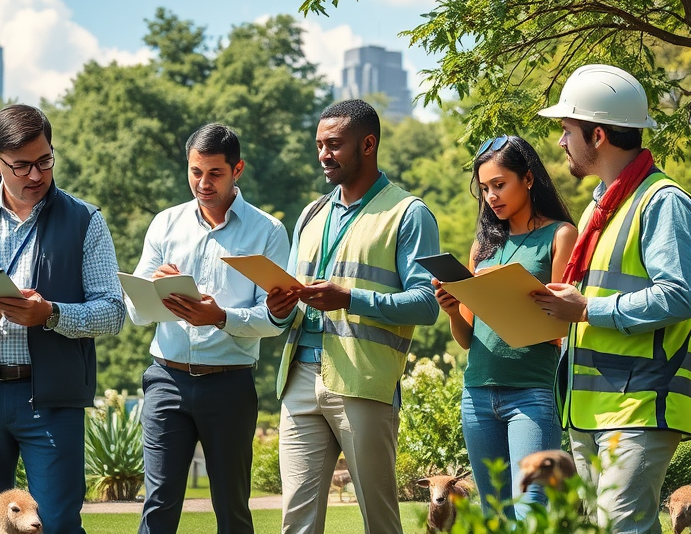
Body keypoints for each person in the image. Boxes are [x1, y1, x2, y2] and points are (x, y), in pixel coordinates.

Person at [0, 104, 125, 534]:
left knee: (55, 524)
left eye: (45, 161)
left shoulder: (86, 220)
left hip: (50, 399)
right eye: (22, 166)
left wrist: (49, 314)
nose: (36, 175)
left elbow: (112, 312)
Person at [532, 65, 691, 534]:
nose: (559, 142)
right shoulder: (602, 205)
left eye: (566, 130)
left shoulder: (663, 202)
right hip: (592, 407)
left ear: (596, 135)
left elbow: (676, 297)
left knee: (621, 527)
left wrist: (586, 308)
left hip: (639, 403)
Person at [266, 99, 441, 534]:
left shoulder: (408, 213)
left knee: (379, 521)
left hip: (363, 383)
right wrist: (278, 308)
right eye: (319, 144)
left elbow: (427, 303)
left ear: (368, 144)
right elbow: (289, 293)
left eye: (334, 144)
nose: (324, 154)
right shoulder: (310, 214)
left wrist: (351, 299)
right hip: (298, 382)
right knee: (296, 524)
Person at [126, 124, 290, 534]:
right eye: (195, 172)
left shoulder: (267, 232)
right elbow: (136, 312)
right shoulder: (165, 224)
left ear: (238, 170)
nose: (202, 183)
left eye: (215, 173)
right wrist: (155, 290)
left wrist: (220, 318)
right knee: (158, 503)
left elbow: (277, 319)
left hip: (229, 385)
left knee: (232, 507)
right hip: (166, 378)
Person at [433, 135, 576, 518]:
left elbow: (562, 326)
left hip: (533, 393)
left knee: (531, 514)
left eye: (499, 184)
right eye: (484, 189)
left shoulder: (560, 235)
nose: (491, 196)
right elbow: (466, 338)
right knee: (496, 517)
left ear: (528, 179)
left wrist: (508, 284)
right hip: (477, 395)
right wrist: (451, 308)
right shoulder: (482, 246)